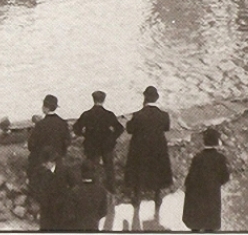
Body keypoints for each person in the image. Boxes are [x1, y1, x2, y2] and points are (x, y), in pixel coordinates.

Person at [124, 85, 173, 214]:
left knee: (138, 170)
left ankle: (137, 196)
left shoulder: (138, 115)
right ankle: (157, 196)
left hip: (140, 146)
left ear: (144, 98)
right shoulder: (164, 115)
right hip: (158, 146)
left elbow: (130, 129)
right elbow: (166, 128)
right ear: (156, 99)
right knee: (157, 169)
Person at [72, 90, 124, 193]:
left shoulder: (87, 114)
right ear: (103, 100)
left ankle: (92, 191)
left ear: (93, 99)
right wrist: (112, 137)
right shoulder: (109, 114)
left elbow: (76, 128)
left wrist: (85, 135)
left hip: (91, 145)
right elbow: (120, 128)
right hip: (107, 146)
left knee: (92, 168)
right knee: (109, 169)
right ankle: (111, 191)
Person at [182, 127, 230, 232]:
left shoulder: (197, 158)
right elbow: (225, 177)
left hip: (197, 196)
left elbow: (190, 179)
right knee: (210, 226)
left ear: (204, 141)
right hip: (212, 195)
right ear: (216, 142)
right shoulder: (220, 158)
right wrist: (215, 184)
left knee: (196, 224)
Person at [27, 94, 71, 185]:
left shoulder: (40, 125)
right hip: (58, 160)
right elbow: (67, 141)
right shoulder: (62, 123)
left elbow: (31, 145)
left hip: (41, 161)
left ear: (45, 108)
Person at [32, 145, 76, 231]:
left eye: (46, 162)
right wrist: (40, 198)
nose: (44, 165)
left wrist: (67, 198)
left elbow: (74, 186)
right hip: (46, 209)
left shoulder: (65, 170)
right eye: (43, 162)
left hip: (61, 209)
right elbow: (34, 187)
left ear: (52, 161)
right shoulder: (38, 172)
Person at [69, 159, 108, 231]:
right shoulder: (101, 190)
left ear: (81, 173)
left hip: (78, 228)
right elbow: (103, 212)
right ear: (94, 173)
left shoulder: (75, 191)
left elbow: (70, 213)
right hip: (94, 226)